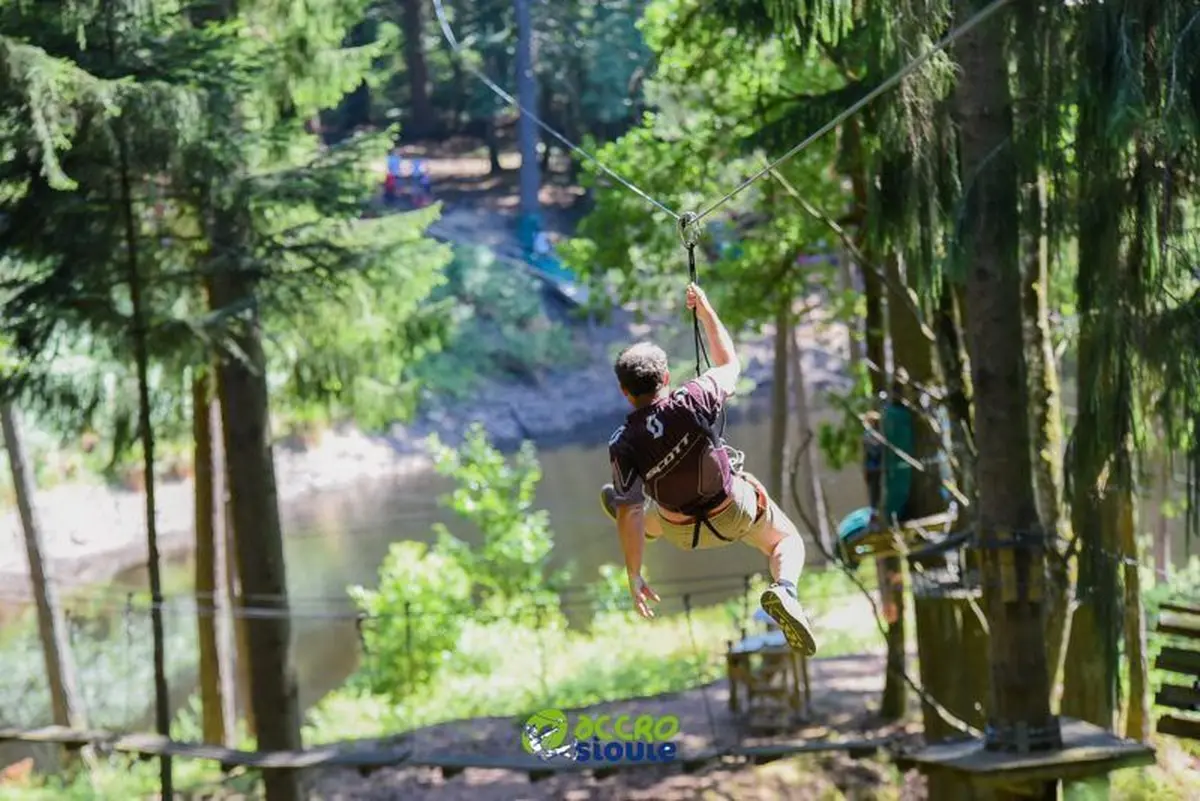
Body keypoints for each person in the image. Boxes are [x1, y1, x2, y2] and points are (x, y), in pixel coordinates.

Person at [600, 283, 818, 655]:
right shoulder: (694, 397)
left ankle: (644, 525)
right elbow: (729, 363)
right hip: (733, 511)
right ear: (666, 378)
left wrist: (634, 574)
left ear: (624, 391)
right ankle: (785, 590)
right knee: (785, 541)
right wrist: (705, 312)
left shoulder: (622, 442)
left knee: (636, 509)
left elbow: (629, 513)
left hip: (680, 531)